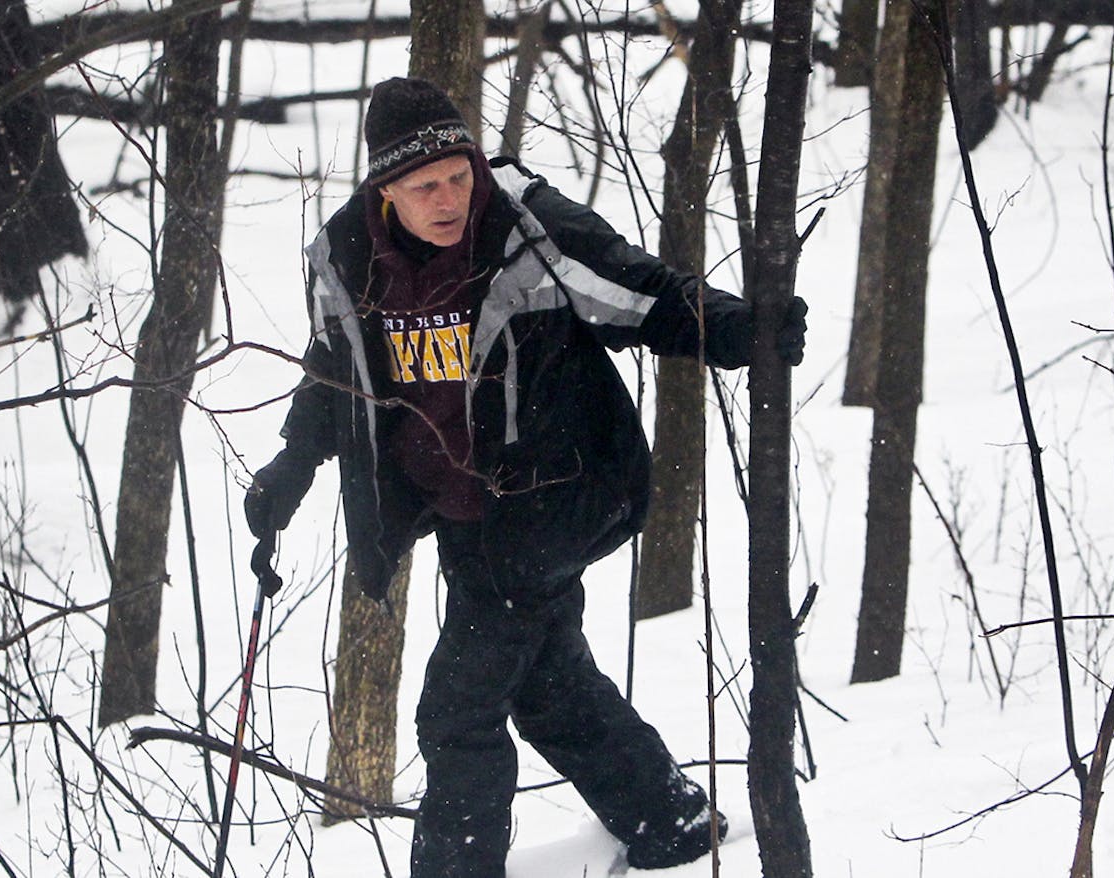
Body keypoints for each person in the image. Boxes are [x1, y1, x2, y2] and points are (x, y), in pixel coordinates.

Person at [242, 77, 805, 876]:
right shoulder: (349, 257)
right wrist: (290, 469)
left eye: (459, 176)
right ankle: (671, 823)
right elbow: (334, 373)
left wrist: (742, 327)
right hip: (461, 512)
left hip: (557, 493)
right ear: (385, 192)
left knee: (456, 711)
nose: (449, 199)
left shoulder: (527, 224)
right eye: (425, 186)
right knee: (547, 686)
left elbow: (637, 291)